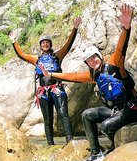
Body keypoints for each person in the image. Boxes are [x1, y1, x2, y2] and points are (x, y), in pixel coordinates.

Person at [40, 4, 137, 161]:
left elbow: (121, 48)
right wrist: (51, 74)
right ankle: (96, 153)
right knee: (87, 114)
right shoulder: (93, 75)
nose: (92, 61)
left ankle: (116, 148)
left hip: (132, 109)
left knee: (105, 126)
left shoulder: (114, 63)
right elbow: (72, 76)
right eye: (89, 60)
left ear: (99, 56)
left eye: (94, 57)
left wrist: (126, 27)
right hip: (115, 111)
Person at [9, 16, 82, 145]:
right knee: (47, 119)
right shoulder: (36, 59)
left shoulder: (57, 56)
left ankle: (70, 141)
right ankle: (50, 144)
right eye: (43, 42)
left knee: (63, 114)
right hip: (43, 92)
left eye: (47, 42)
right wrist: (14, 41)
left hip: (57, 89)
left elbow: (67, 45)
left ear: (50, 44)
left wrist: (75, 29)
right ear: (40, 46)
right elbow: (22, 55)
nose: (45, 44)